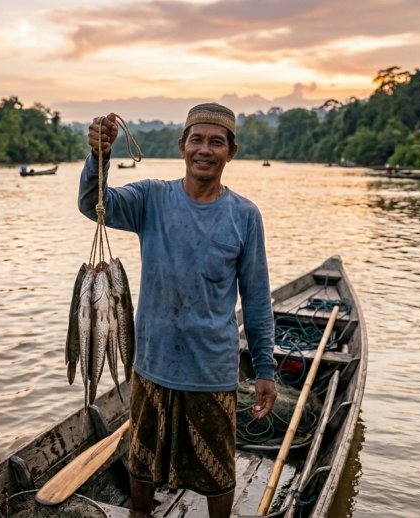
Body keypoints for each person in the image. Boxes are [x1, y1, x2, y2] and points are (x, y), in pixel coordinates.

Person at [77, 103, 277, 517]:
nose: (205, 149)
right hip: (152, 365)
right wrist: (99, 154)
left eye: (216, 142)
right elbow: (93, 204)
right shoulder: (151, 197)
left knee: (218, 474)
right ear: (182, 146)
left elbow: (256, 298)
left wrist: (264, 370)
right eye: (197, 140)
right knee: (142, 465)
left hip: (212, 370)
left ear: (231, 152)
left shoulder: (245, 216)